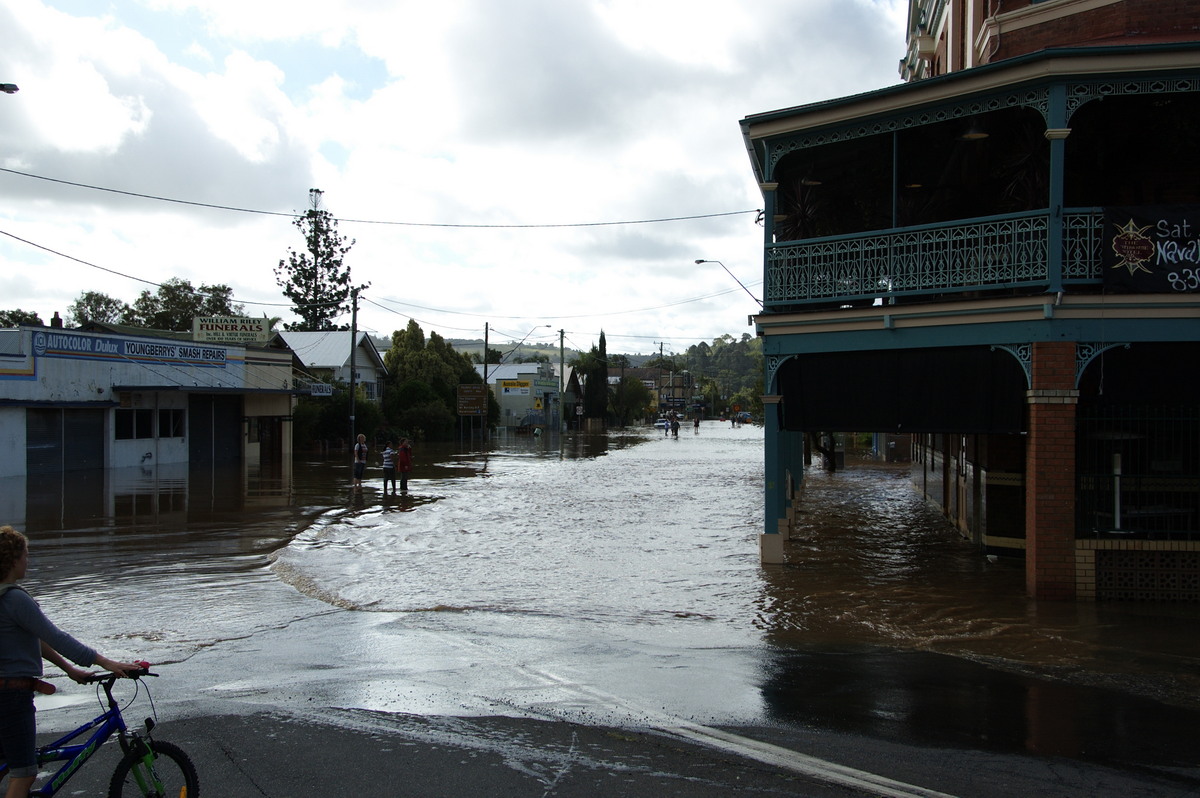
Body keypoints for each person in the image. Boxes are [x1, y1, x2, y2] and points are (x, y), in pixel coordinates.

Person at [1, 526, 139, 798]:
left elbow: (34, 640)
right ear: (14, 559)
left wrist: (69, 669)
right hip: (12, 697)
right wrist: (103, 661)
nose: (28, 561)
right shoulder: (15, 598)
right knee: (24, 772)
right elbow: (56, 636)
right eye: (26, 555)